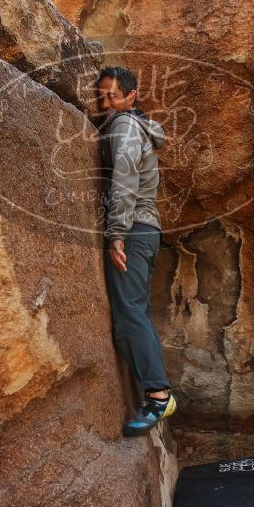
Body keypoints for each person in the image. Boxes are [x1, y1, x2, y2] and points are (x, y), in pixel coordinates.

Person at [95, 66, 177, 437]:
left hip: (132, 230)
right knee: (137, 311)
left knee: (129, 314)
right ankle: (157, 391)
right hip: (146, 230)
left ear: (131, 97)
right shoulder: (136, 125)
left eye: (113, 95)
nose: (106, 101)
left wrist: (116, 234)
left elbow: (124, 178)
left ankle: (158, 396)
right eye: (101, 95)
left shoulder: (125, 125)